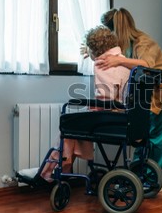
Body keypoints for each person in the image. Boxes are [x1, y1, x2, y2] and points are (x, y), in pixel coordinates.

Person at [96, 8, 162, 177]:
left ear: (116, 29)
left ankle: (153, 177)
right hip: (147, 90)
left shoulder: (144, 42)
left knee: (158, 135)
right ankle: (139, 173)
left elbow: (146, 64)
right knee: (141, 132)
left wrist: (119, 60)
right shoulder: (126, 45)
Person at [40, 26, 131, 182]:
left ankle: (52, 171)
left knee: (68, 126)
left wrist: (93, 106)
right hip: (124, 117)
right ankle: (62, 169)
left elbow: (106, 98)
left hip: (109, 118)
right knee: (75, 127)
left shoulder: (103, 65)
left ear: (96, 49)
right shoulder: (123, 61)